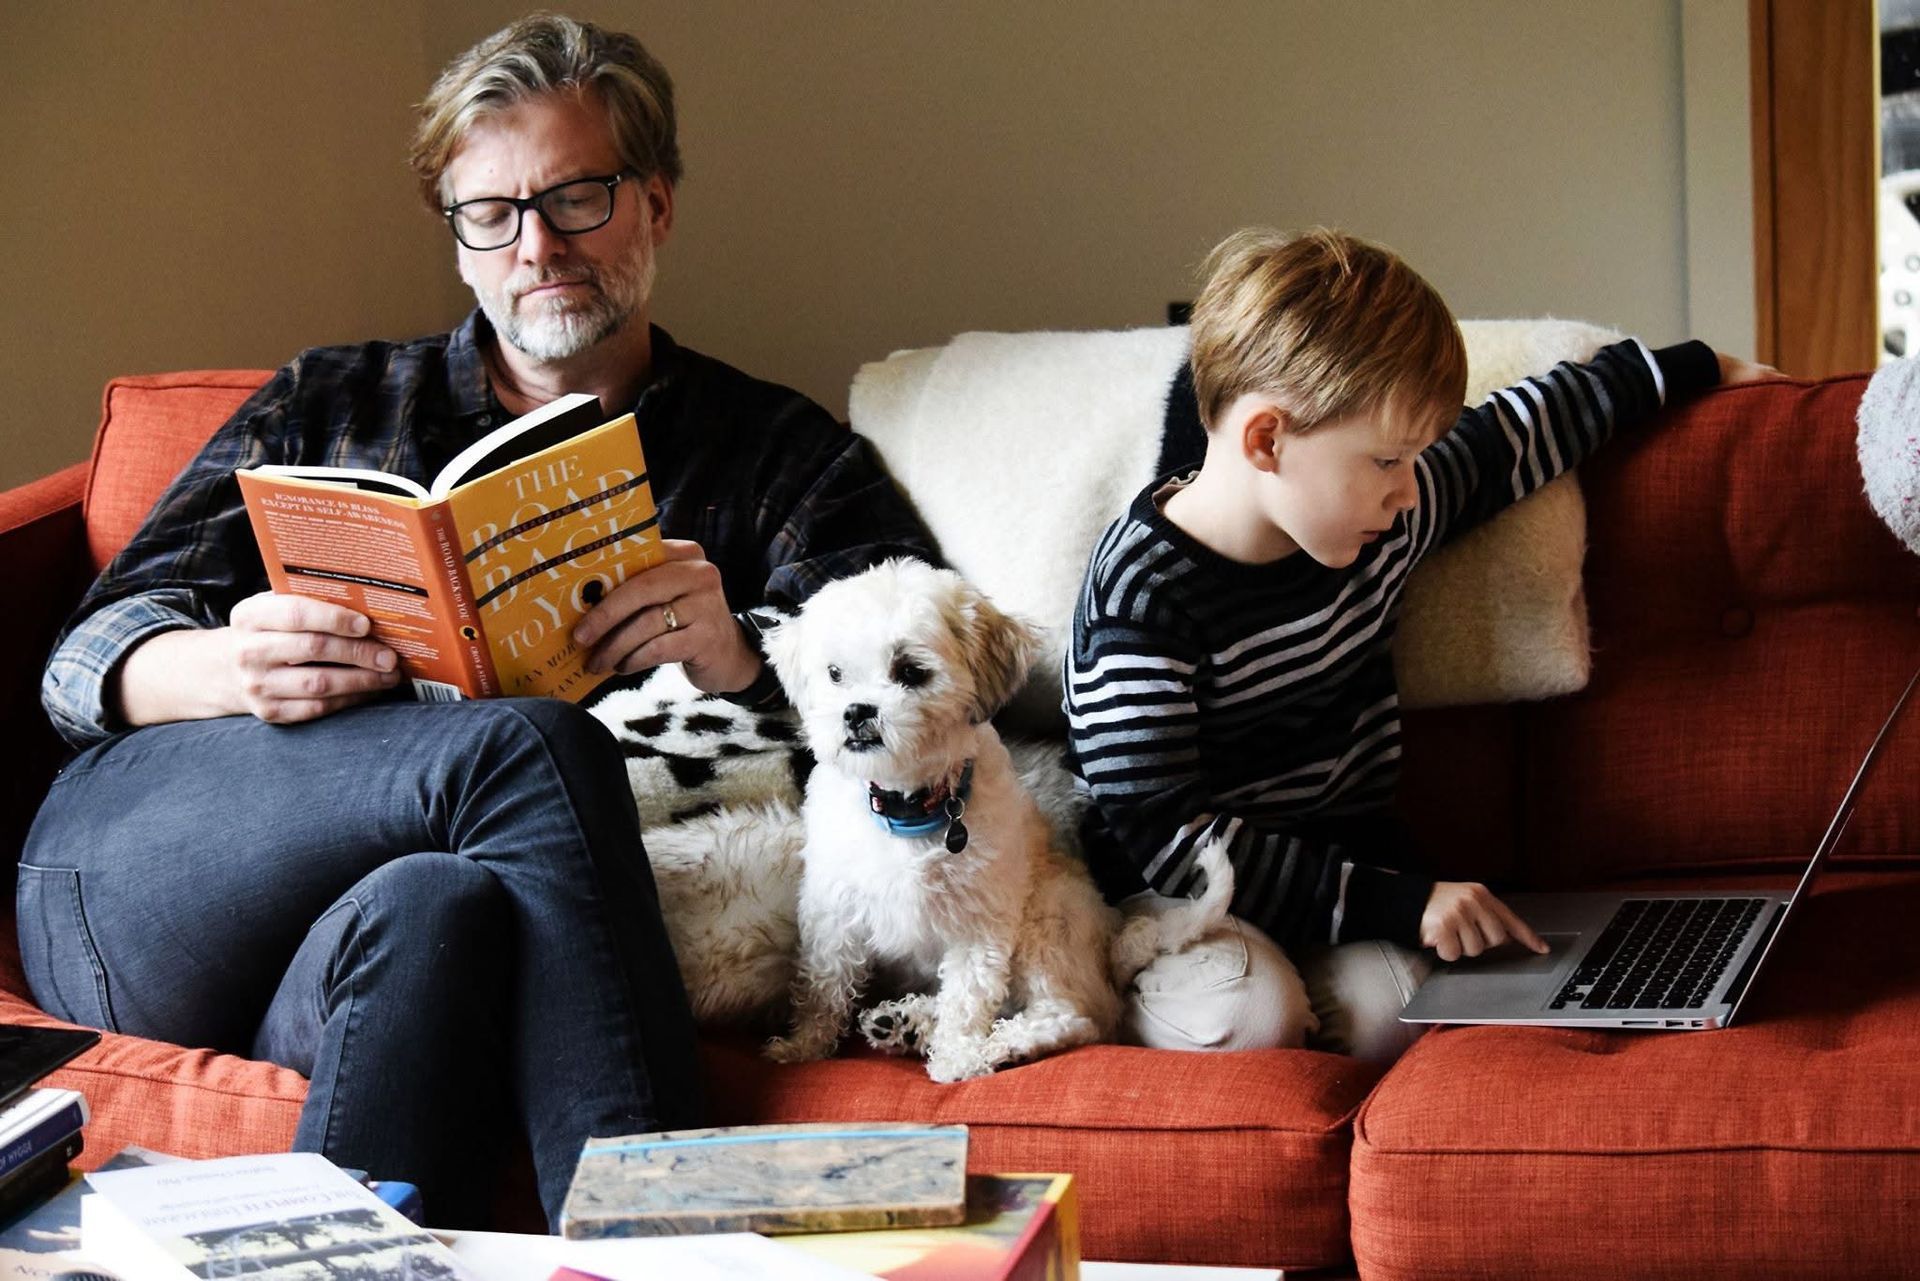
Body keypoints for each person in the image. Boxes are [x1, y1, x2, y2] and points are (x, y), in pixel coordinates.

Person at [21, 14, 935, 1230]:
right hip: (147, 878)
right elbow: (81, 661)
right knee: (530, 743)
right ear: (458, 239)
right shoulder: (330, 404)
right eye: (491, 213)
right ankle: (667, 1239)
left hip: (349, 940)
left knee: (438, 906)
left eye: (578, 197)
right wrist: (225, 665)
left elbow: (929, 689)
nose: (537, 247)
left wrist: (748, 657)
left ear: (656, 205)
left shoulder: (778, 454)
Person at [1064, 227, 1772, 1063]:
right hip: (1180, 893)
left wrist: (1698, 368)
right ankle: (1156, 993)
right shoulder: (1141, 600)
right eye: (1387, 460)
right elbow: (1171, 838)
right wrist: (1406, 906)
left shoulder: (1380, 520)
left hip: (1342, 872)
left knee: (1387, 1018)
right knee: (1253, 1019)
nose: (1408, 490)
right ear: (1266, 440)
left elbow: (1523, 428)